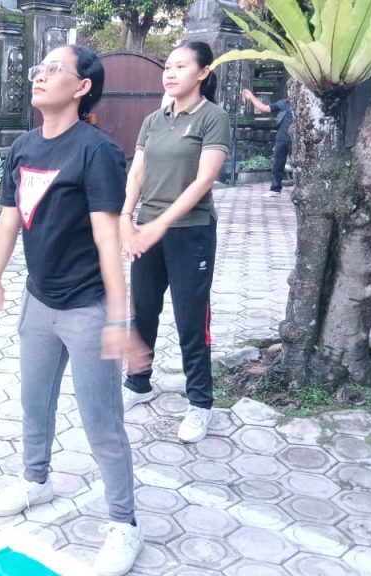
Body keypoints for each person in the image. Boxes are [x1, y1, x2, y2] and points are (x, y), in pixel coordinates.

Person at [0, 44, 147, 576]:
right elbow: (10, 217)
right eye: (40, 67)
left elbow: (107, 238)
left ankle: (124, 522)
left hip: (87, 308)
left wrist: (119, 316)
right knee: (34, 403)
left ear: (81, 87)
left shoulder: (97, 151)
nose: (41, 75)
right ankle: (36, 479)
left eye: (54, 69)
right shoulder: (22, 146)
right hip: (38, 300)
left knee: (102, 422)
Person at [120, 41, 231, 444]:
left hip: (191, 232)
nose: (170, 72)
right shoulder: (153, 120)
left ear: (202, 73)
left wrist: (160, 224)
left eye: (181, 66)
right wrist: (126, 218)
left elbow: (204, 180)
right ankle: (138, 383)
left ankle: (200, 403)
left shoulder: (213, 117)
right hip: (147, 227)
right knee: (142, 311)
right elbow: (137, 173)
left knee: (191, 319)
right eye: (167, 66)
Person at [241, 88, 292, 197]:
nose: (291, 92)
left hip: (297, 140)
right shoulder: (283, 103)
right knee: (277, 165)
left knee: (300, 166)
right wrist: (251, 97)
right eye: (289, 89)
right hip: (282, 139)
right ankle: (275, 189)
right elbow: (264, 108)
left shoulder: (305, 104)